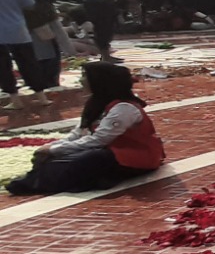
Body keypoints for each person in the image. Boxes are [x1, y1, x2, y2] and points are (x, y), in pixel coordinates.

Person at [7, 62, 164, 195]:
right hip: (110, 152)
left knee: (87, 159)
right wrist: (54, 147)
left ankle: (30, 184)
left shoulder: (124, 108)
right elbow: (80, 132)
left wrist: (56, 150)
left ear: (99, 81)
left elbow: (99, 140)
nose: (81, 80)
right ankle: (36, 180)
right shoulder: (96, 103)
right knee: (58, 156)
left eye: (84, 76)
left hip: (138, 156)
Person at [0, 0, 48, 110]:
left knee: (3, 67)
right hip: (19, 29)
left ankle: (15, 99)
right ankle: (42, 97)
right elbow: (30, 4)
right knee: (28, 63)